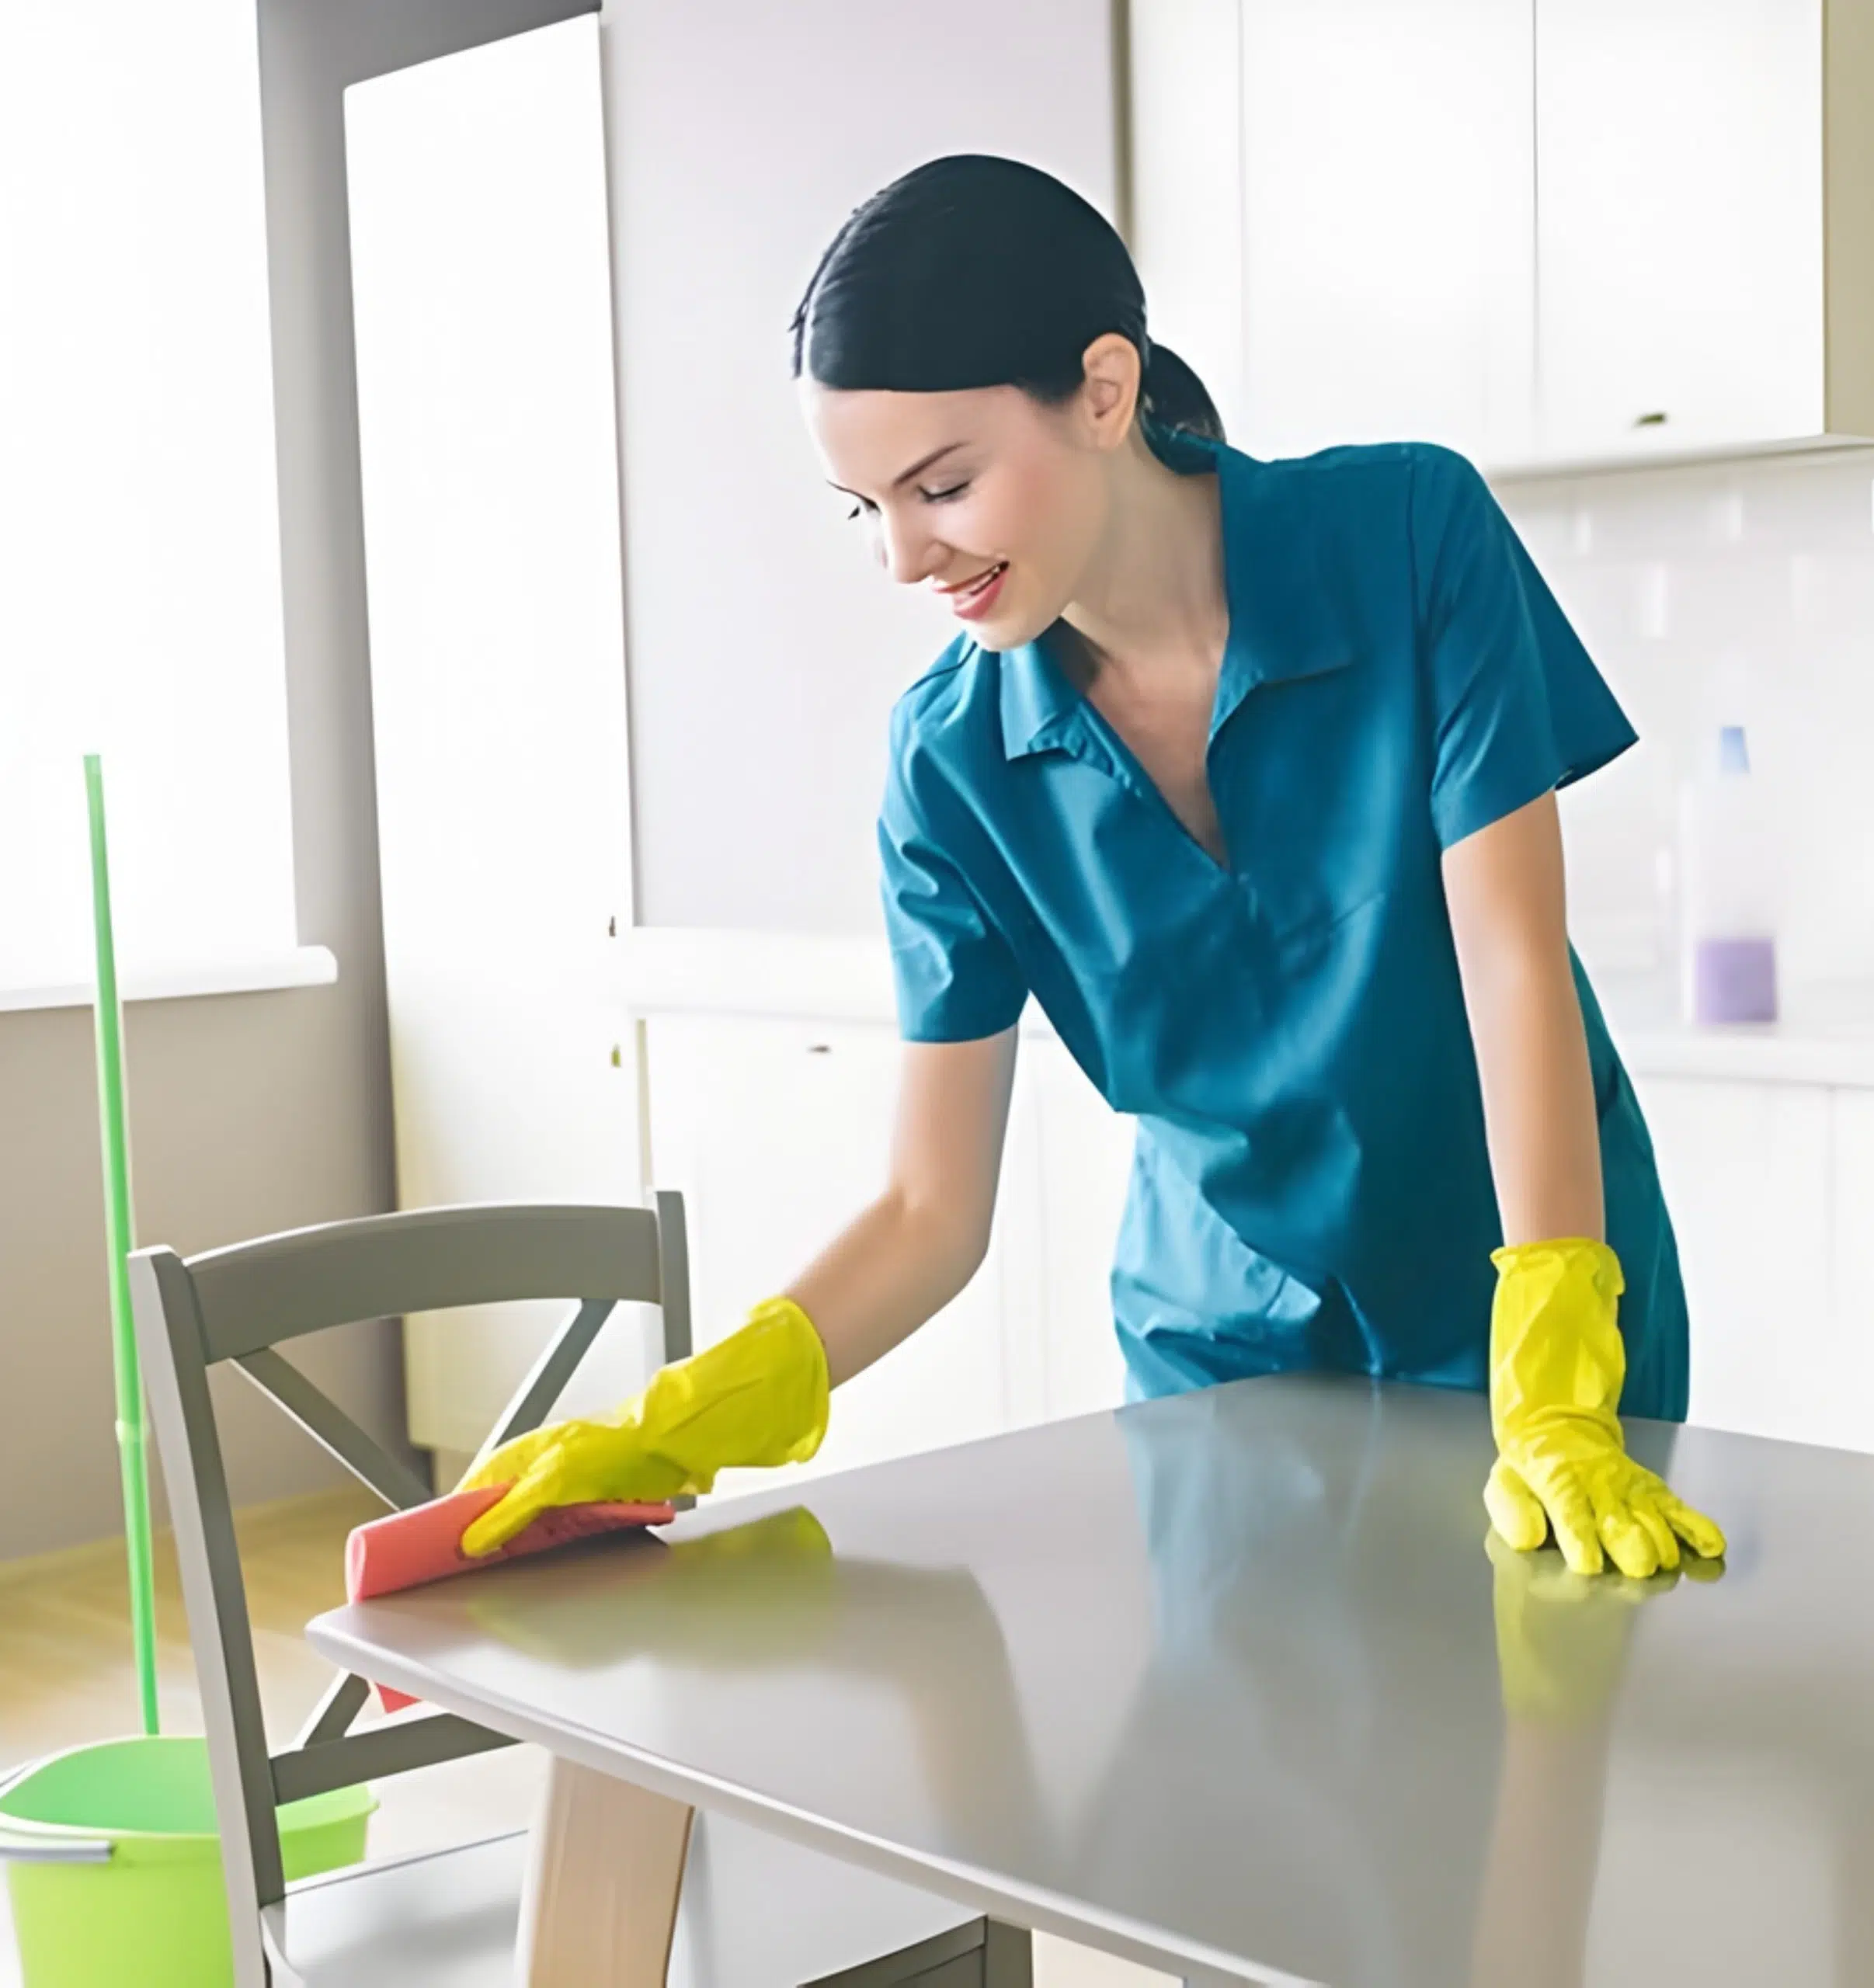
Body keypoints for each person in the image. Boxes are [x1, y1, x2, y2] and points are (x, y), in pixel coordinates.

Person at [461, 155, 1723, 1580]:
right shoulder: (951, 768)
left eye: (941, 485)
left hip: (1534, 1304)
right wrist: (685, 1419)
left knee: (1548, 1769)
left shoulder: (1412, 538)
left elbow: (1512, 968)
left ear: (1106, 391)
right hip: (1225, 1358)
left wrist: (1555, 1375)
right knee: (1254, 1793)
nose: (904, 560)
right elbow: (932, 1211)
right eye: (865, 507)